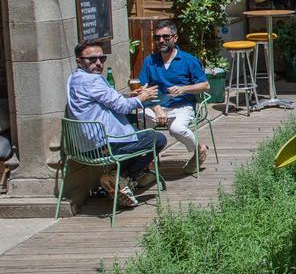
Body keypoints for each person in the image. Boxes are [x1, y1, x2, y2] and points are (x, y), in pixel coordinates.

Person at [67, 40, 164, 207]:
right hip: (104, 146)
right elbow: (122, 107)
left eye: (102, 58)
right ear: (79, 61)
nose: (98, 63)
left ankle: (120, 177)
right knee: (158, 138)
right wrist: (142, 97)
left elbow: (109, 102)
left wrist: (130, 97)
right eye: (92, 59)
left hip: (83, 146)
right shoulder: (93, 81)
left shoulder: (74, 79)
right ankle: (123, 177)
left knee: (136, 130)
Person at [138, 20, 210, 170]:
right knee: (138, 120)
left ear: (175, 38)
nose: (161, 41)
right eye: (157, 38)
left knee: (177, 128)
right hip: (156, 106)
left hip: (181, 105)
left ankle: (198, 150)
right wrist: (157, 107)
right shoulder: (149, 61)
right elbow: (143, 89)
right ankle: (147, 164)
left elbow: (205, 85)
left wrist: (184, 89)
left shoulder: (188, 60)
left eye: (165, 37)